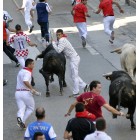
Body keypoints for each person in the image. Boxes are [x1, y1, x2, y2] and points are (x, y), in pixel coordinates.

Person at [51, 29, 88, 97]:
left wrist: (53, 42)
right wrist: (53, 42)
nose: (58, 36)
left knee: (74, 76)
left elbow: (58, 50)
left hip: (74, 59)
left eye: (59, 35)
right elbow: (57, 45)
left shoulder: (62, 40)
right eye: (57, 35)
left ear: (62, 34)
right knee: (72, 76)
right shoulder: (62, 40)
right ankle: (84, 86)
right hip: (73, 59)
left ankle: (76, 92)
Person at [15, 59, 39, 129]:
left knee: (21, 108)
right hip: (26, 93)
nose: (34, 65)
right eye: (33, 64)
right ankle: (23, 120)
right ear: (29, 65)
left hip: (18, 93)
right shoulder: (28, 72)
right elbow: (25, 81)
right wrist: (32, 89)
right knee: (31, 108)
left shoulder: (21, 71)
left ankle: (20, 119)